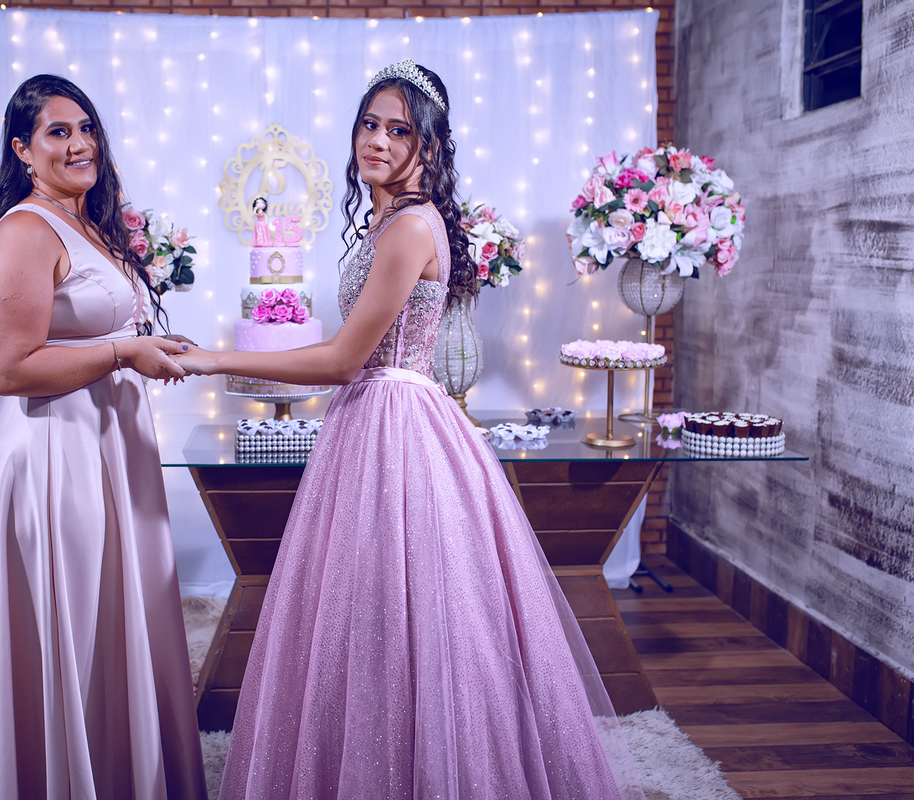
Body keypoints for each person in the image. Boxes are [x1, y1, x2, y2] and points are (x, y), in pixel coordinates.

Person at [176, 60, 645, 799]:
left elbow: (343, 360)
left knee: (398, 610)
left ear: (429, 144)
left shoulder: (409, 227)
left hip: (392, 425)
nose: (379, 141)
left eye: (400, 130)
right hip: (377, 417)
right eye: (370, 124)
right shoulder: (392, 221)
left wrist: (213, 359)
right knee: (372, 610)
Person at [0, 74, 207, 800]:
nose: (80, 143)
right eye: (58, 132)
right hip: (57, 456)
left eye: (86, 129)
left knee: (112, 622)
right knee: (73, 623)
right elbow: (9, 369)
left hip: (107, 449)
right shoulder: (24, 231)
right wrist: (122, 352)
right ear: (22, 149)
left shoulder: (85, 224)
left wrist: (145, 343)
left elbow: (93, 326)